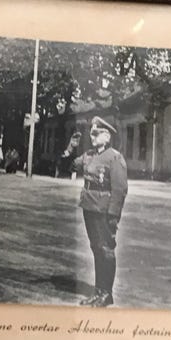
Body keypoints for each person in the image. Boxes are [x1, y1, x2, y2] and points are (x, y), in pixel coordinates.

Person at [62, 116, 128, 307]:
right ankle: (98, 292)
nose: (92, 136)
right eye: (91, 133)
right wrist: (70, 148)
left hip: (104, 210)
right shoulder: (88, 155)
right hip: (89, 206)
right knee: (96, 248)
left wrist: (113, 215)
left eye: (96, 133)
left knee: (105, 249)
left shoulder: (114, 157)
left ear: (107, 137)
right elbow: (68, 167)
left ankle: (106, 294)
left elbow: (120, 189)